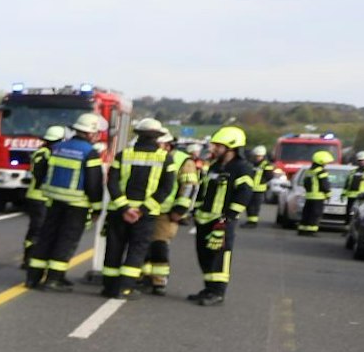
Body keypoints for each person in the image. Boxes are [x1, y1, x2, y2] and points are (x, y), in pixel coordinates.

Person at [23, 111, 105, 291]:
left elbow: (40, 171)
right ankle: (54, 278)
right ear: (90, 133)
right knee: (66, 241)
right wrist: (97, 207)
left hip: (53, 201)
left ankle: (33, 278)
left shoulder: (57, 148)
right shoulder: (90, 153)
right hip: (77, 205)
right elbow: (94, 183)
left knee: (46, 237)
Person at [100, 117, 174, 298]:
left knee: (114, 249)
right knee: (137, 250)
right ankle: (125, 288)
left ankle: (109, 288)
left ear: (139, 135)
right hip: (145, 216)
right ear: (158, 137)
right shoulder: (166, 159)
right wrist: (142, 210)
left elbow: (112, 183)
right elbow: (166, 188)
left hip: (119, 212)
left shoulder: (123, 155)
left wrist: (125, 207)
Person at [188, 126, 252, 306]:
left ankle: (217, 292)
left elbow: (245, 193)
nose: (213, 149)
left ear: (231, 147)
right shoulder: (215, 166)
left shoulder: (242, 168)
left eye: (218, 146)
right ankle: (208, 288)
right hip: (204, 218)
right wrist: (197, 210)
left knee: (219, 257)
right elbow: (204, 190)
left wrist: (229, 216)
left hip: (222, 220)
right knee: (205, 255)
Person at [141, 130, 197, 295]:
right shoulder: (154, 156)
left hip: (166, 212)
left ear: (167, 144)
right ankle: (144, 277)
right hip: (146, 208)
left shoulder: (182, 160)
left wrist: (179, 210)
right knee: (143, 244)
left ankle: (159, 281)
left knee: (158, 245)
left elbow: (189, 187)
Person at [20, 125, 66, 269]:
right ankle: (29, 258)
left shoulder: (48, 152)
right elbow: (40, 174)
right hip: (39, 196)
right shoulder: (44, 153)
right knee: (37, 229)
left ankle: (34, 257)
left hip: (45, 197)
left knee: (41, 229)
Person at [297, 150, 333, 235]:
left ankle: (302, 229)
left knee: (307, 213)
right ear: (321, 161)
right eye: (325, 162)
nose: (326, 164)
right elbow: (324, 184)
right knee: (315, 214)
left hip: (309, 196)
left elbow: (305, 183)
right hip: (318, 197)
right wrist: (328, 194)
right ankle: (311, 230)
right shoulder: (321, 171)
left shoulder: (309, 171)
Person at [241, 145, 275, 227]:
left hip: (259, 189)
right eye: (256, 156)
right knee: (248, 205)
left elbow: (269, 176)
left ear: (262, 156)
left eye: (258, 156)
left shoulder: (266, 165)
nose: (257, 158)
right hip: (250, 188)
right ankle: (250, 220)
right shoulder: (252, 163)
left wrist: (262, 181)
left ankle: (253, 222)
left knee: (255, 206)